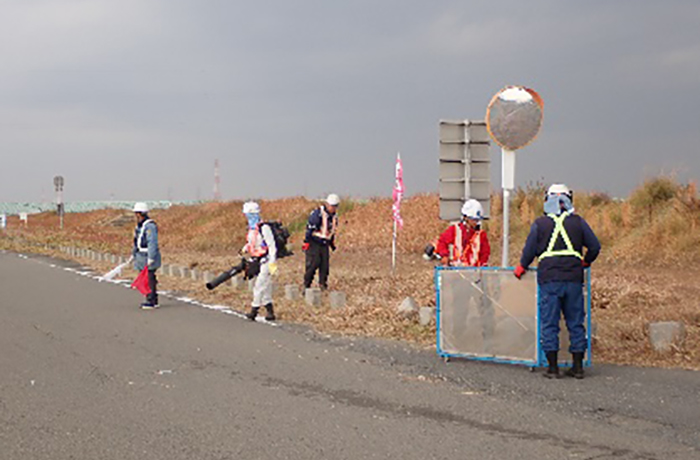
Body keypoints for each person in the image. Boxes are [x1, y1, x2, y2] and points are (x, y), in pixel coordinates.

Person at [514, 184, 601, 379]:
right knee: (576, 322)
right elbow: (595, 246)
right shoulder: (578, 222)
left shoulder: (540, 224)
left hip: (549, 279)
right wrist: (586, 261)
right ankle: (577, 367)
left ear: (548, 200)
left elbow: (529, 250)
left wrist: (521, 266)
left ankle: (552, 368)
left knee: (549, 322)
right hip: (573, 279)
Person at [241, 201, 278, 321]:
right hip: (258, 260)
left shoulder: (264, 228)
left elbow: (272, 246)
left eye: (249, 215)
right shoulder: (252, 229)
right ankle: (270, 311)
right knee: (265, 287)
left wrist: (272, 263)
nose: (248, 217)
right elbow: (252, 243)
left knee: (259, 286)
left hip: (267, 261)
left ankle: (254, 310)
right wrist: (246, 248)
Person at [435, 199, 490, 267]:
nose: (475, 222)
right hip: (455, 270)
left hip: (474, 271)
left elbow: (485, 253)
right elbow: (442, 242)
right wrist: (444, 255)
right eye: (473, 219)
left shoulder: (481, 235)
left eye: (477, 220)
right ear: (466, 218)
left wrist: (482, 265)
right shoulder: (454, 230)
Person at [303, 194, 339, 290]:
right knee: (313, 264)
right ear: (327, 204)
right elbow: (310, 230)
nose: (333, 208)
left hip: (324, 244)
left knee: (324, 266)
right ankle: (306, 285)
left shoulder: (334, 217)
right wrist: (307, 242)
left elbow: (331, 232)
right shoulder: (317, 214)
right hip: (314, 242)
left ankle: (323, 285)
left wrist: (332, 244)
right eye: (332, 206)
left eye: (335, 206)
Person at [132, 202, 161, 310]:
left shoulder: (150, 226)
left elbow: (152, 242)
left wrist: (151, 257)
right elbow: (137, 241)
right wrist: (134, 253)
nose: (136, 216)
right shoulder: (140, 226)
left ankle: (151, 300)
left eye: (137, 213)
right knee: (146, 278)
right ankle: (151, 299)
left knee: (149, 278)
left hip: (147, 256)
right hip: (141, 256)